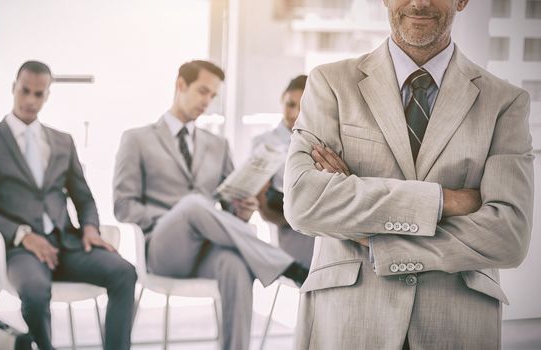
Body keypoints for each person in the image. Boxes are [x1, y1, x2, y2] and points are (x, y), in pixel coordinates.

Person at [283, 1, 533, 349]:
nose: (419, 2)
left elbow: (509, 235)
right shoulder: (331, 83)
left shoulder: (505, 102)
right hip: (347, 319)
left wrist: (380, 242)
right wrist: (445, 201)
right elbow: (304, 202)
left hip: (456, 323)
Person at [113, 60, 309, 350]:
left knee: (237, 266)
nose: (207, 101)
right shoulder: (137, 139)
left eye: (213, 96)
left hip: (208, 248)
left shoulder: (218, 145)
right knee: (192, 205)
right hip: (163, 248)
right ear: (181, 85)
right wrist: (179, 215)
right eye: (202, 91)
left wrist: (243, 209)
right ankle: (287, 265)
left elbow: (230, 206)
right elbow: (123, 205)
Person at [0, 61, 136, 350]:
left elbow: (83, 197)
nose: (30, 100)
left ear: (47, 96)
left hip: (68, 246)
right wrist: (23, 235)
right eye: (25, 91)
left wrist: (91, 229)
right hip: (22, 252)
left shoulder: (62, 141)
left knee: (124, 272)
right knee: (34, 290)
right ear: (13, 88)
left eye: (38, 94)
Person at [252, 75, 314, 268]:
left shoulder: (318, 141)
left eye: (302, 108)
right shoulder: (263, 143)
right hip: (287, 226)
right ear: (282, 101)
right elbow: (262, 206)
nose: (295, 114)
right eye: (290, 105)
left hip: (319, 221)